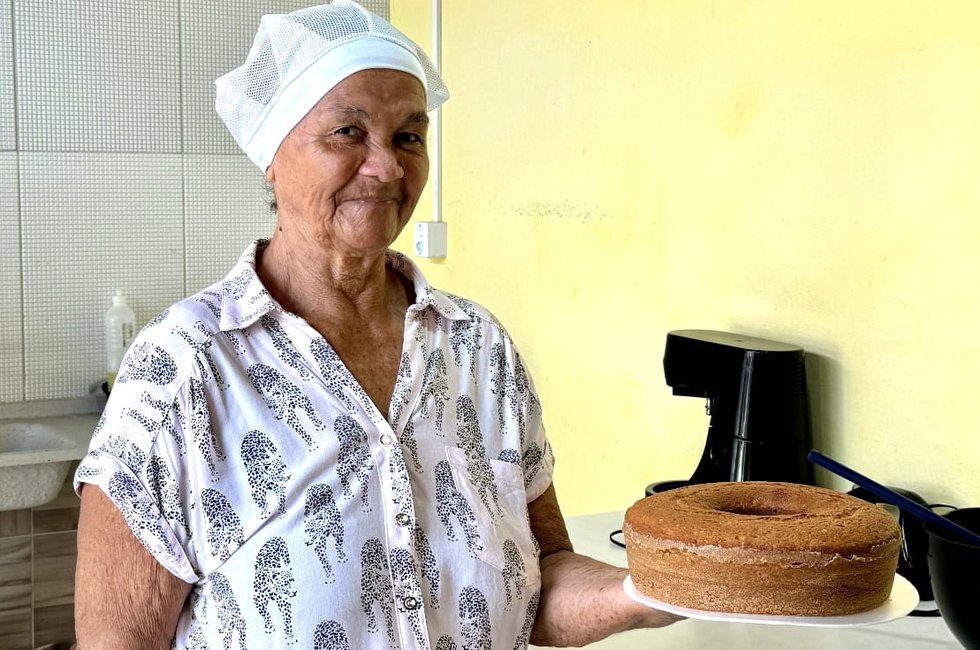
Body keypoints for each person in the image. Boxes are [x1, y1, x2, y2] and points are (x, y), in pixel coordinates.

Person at [72, 1, 679, 648]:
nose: (388, 167)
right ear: (270, 153)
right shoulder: (186, 367)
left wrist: (646, 592)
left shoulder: (478, 349)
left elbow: (544, 579)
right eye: (348, 133)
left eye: (409, 137)